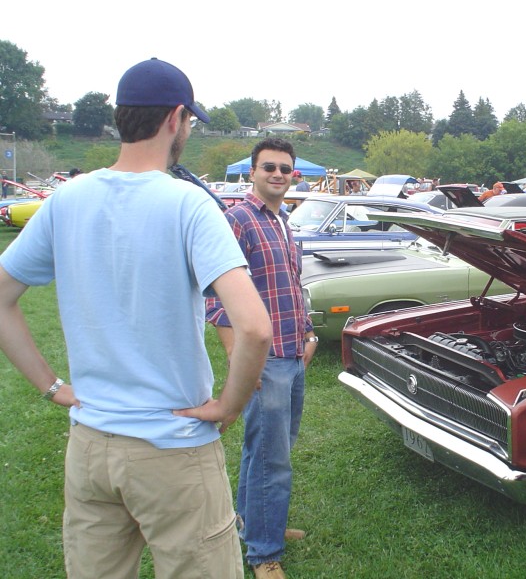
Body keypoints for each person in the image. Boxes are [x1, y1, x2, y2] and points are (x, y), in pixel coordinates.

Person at [0, 58, 272, 579]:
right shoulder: (189, 204)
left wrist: (51, 386)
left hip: (89, 448)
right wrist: (228, 405)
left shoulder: (66, 199)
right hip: (174, 448)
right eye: (189, 121)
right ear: (175, 118)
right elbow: (255, 328)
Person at [206, 137, 317, 579]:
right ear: (252, 172)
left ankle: (256, 523)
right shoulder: (238, 220)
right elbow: (215, 295)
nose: (277, 174)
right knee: (272, 458)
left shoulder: (283, 221)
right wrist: (237, 356)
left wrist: (307, 333)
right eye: (268, 167)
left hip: (292, 352)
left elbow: (288, 283)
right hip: (264, 359)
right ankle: (264, 554)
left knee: (266, 449)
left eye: (285, 168)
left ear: (293, 175)